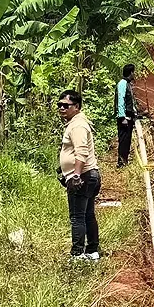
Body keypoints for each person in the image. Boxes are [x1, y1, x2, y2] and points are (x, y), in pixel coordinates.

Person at [58, 89, 101, 260]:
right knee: (88, 214)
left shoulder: (78, 125)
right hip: (89, 175)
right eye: (59, 105)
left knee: (77, 217)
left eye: (66, 105)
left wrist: (75, 175)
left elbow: (81, 151)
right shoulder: (78, 123)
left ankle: (77, 254)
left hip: (83, 176)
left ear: (76, 107)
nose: (62, 108)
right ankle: (92, 251)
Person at [115, 64, 139, 167]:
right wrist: (122, 116)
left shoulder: (128, 84)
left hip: (129, 117)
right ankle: (121, 163)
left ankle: (124, 161)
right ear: (131, 72)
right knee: (124, 140)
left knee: (127, 140)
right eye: (134, 72)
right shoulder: (122, 84)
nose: (134, 74)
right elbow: (121, 100)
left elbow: (130, 102)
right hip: (124, 118)